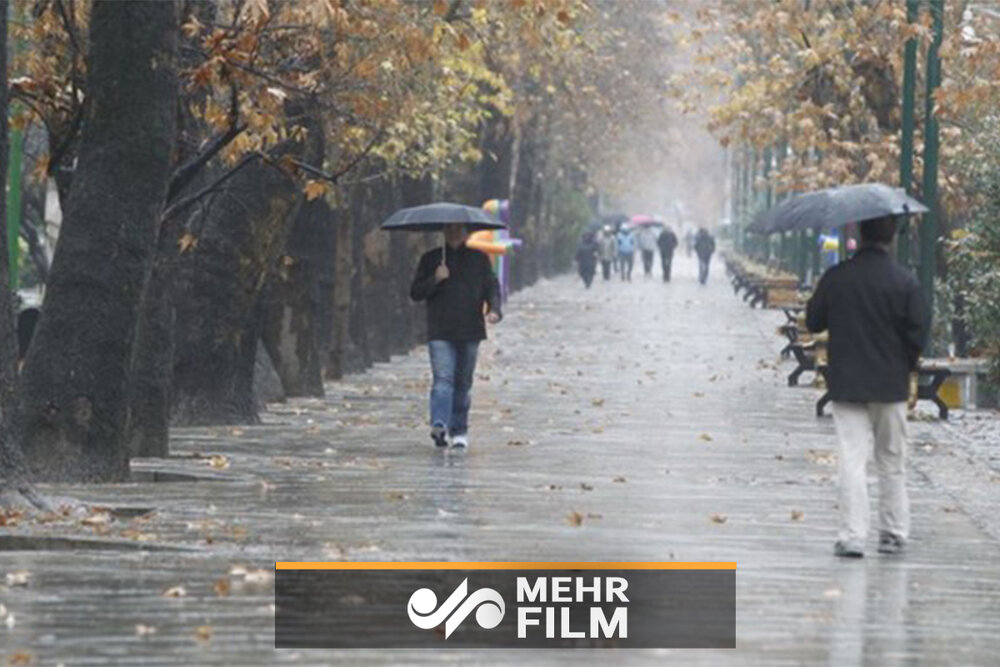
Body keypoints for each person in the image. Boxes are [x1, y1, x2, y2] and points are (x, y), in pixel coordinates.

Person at [805, 215, 929, 558]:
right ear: (891, 238)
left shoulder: (837, 277)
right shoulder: (905, 282)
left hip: (847, 383)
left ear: (859, 234)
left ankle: (852, 535)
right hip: (891, 384)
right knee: (891, 459)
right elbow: (919, 333)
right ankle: (892, 531)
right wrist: (904, 361)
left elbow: (814, 321)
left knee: (852, 459)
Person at [410, 224, 502, 450]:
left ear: (465, 233)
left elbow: (491, 287)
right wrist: (436, 279)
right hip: (440, 330)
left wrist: (494, 310)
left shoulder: (479, 259)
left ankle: (459, 430)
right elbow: (416, 292)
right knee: (443, 379)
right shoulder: (432, 259)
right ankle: (440, 424)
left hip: (470, 330)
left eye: (458, 230)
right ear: (443, 232)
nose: (454, 233)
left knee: (463, 382)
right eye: (449, 229)